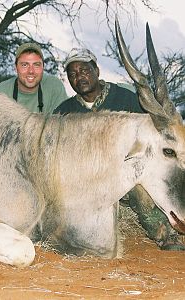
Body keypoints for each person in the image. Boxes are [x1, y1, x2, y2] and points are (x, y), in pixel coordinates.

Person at [53, 48, 185, 251]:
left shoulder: (128, 99)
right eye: (73, 73)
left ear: (97, 70)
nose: (79, 76)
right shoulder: (63, 112)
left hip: (121, 181)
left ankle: (167, 237)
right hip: (84, 184)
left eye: (84, 70)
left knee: (140, 180)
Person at [0, 42, 68, 114]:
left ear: (43, 67)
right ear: (16, 67)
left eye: (36, 65)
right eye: (24, 65)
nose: (31, 71)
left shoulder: (54, 87)